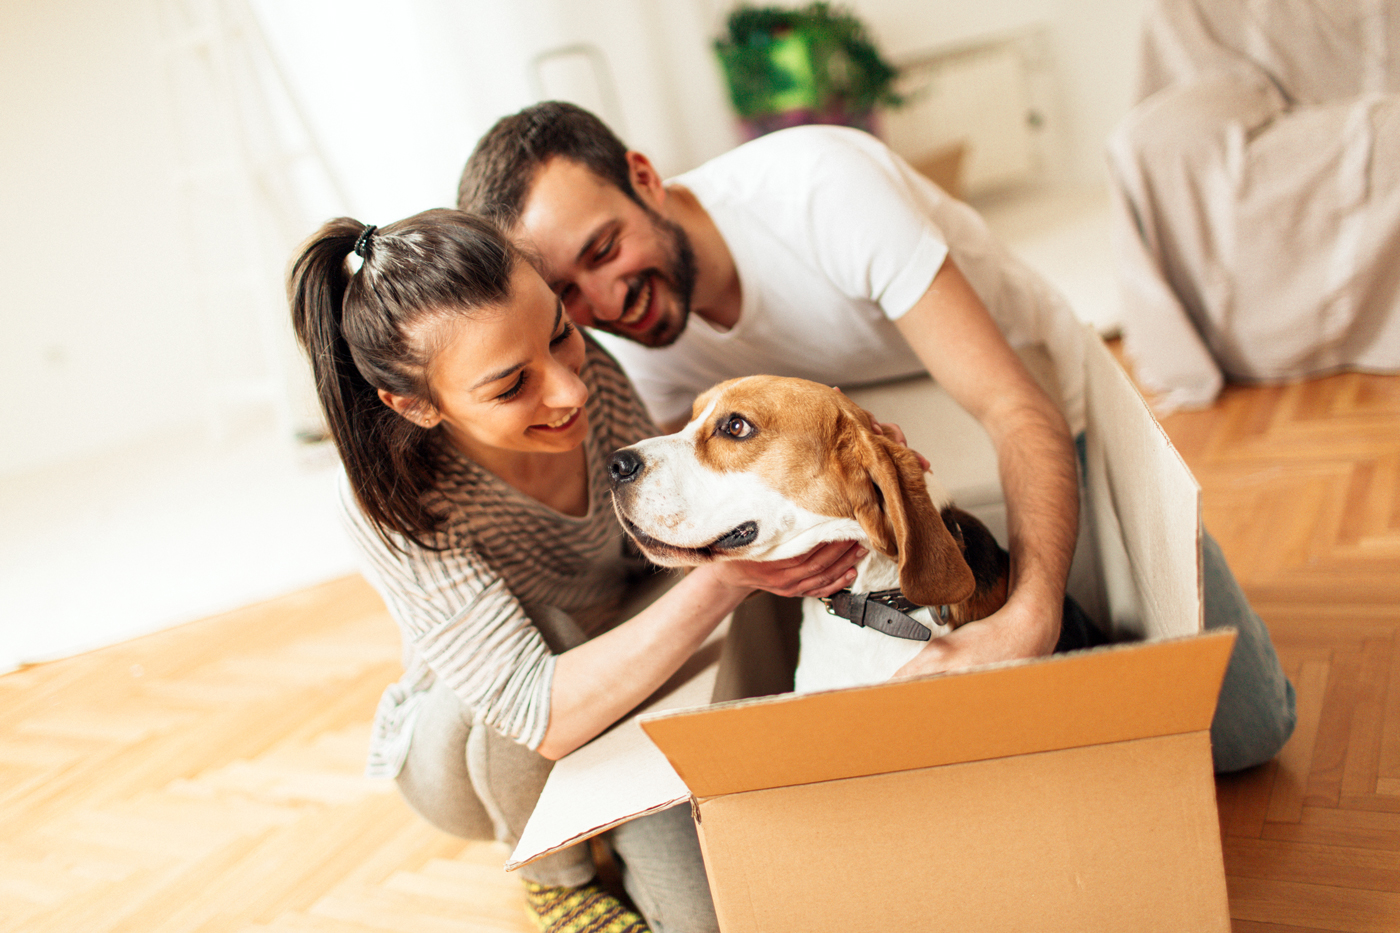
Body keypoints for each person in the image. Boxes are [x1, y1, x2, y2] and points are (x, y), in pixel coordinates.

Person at [457, 102, 1297, 773]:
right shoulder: (632, 346)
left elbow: (1016, 409)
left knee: (1243, 730)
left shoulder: (821, 189)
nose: (607, 301)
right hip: (852, 475)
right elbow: (707, 497)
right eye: (569, 293)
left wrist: (1030, 619)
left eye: (605, 248)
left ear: (644, 178)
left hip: (1033, 415)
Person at [287, 209, 867, 933]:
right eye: (511, 386)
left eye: (561, 334)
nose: (570, 390)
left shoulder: (587, 376)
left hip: (625, 672)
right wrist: (725, 580)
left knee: (705, 918)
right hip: (485, 749)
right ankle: (555, 878)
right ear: (415, 405)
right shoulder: (385, 498)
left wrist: (852, 474)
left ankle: (609, 827)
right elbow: (538, 712)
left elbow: (676, 529)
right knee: (548, 627)